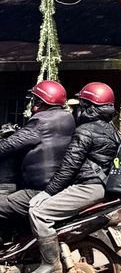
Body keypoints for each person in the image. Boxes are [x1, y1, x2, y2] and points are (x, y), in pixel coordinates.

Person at [25, 82, 121, 273]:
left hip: (87, 187)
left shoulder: (85, 131)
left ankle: (50, 263)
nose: (76, 109)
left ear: (88, 107)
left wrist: (47, 193)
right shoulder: (111, 130)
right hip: (102, 187)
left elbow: (68, 168)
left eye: (80, 104)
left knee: (38, 211)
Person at [0, 81, 75, 242]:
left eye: (34, 100)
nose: (32, 105)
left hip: (38, 189)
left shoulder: (40, 121)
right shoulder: (68, 118)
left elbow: (9, 145)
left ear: (40, 102)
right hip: (59, 184)